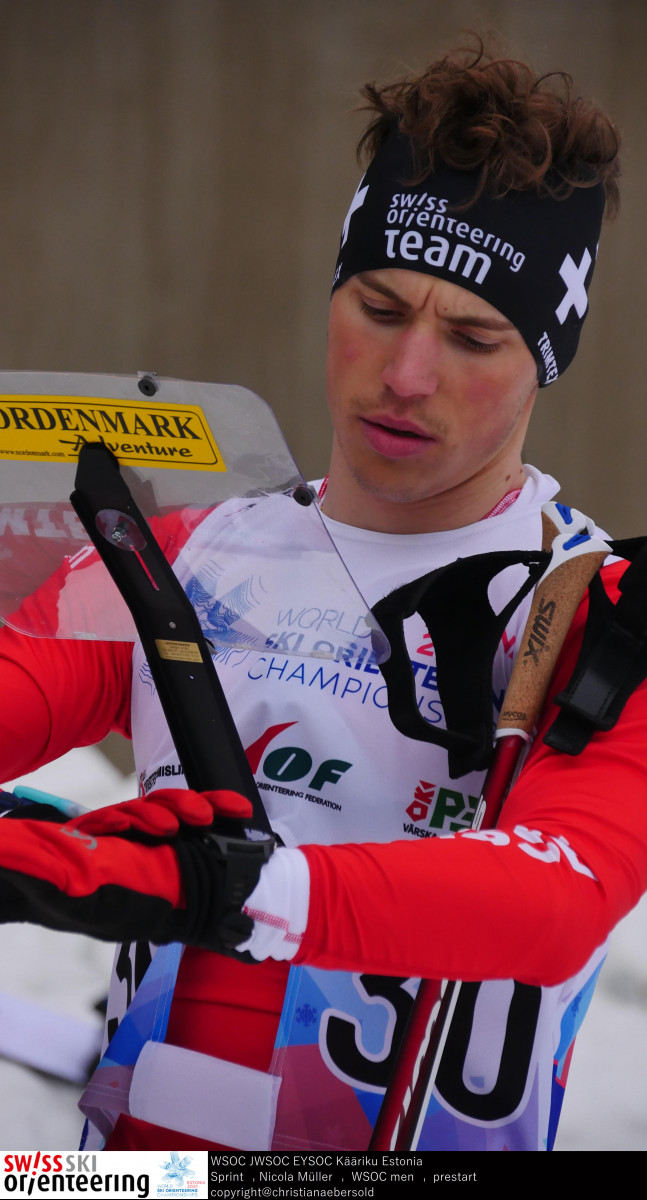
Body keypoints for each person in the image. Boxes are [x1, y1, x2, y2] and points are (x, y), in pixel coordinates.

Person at [0, 41, 642, 1153]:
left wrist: (226, 890)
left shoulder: (593, 609)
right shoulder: (180, 555)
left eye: (473, 338)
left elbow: (559, 901)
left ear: (543, 360)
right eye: (379, 308)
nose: (405, 376)